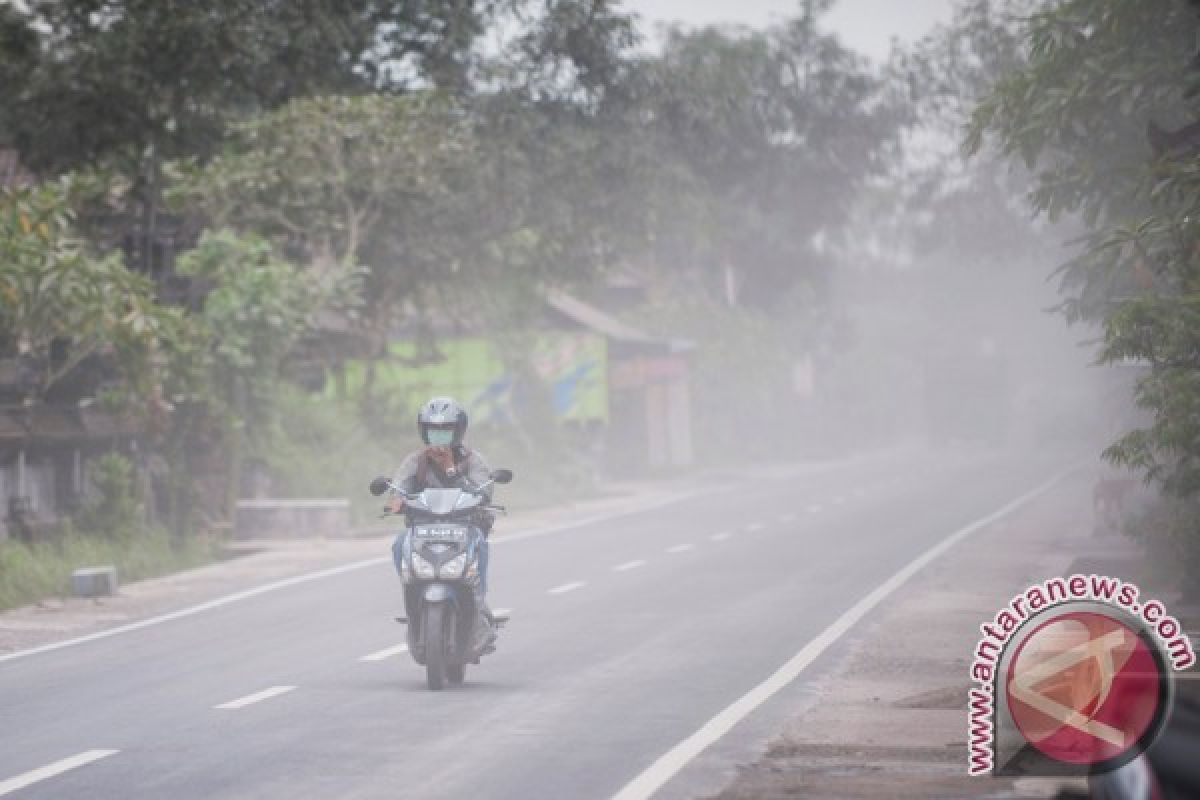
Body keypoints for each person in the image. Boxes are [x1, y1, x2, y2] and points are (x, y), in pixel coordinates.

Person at [388, 396, 496, 616]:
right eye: (433, 430)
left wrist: (450, 469)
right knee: (399, 543)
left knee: (481, 544)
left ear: (458, 431)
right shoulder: (415, 461)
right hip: (423, 528)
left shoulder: (474, 461)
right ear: (424, 431)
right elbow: (397, 488)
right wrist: (396, 501)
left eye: (445, 429)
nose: (438, 436)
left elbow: (483, 494)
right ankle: (411, 592)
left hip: (466, 527)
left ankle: (479, 600)